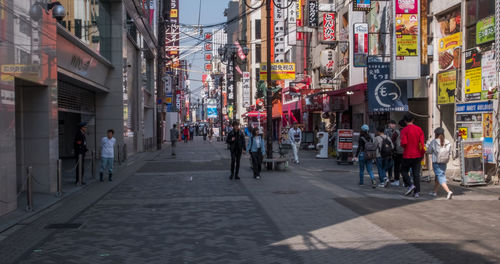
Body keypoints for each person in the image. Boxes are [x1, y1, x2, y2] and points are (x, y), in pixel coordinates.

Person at [400, 114, 425, 198]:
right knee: (416, 174)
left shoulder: (404, 130)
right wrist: (422, 153)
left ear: (405, 121)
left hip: (407, 154)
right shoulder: (419, 129)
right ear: (413, 120)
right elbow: (422, 143)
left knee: (403, 171)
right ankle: (416, 192)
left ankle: (410, 185)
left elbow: (404, 143)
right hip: (417, 155)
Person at [427, 127, 453, 199]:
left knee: (441, 177)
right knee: (440, 176)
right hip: (444, 162)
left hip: (436, 162)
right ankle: (434, 192)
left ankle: (448, 191)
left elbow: (429, 151)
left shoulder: (434, 142)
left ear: (436, 134)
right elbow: (450, 152)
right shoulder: (447, 141)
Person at [390, 120, 406, 186]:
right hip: (406, 151)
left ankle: (397, 181)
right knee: (405, 167)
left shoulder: (396, 132)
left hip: (397, 152)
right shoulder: (407, 131)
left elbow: (392, 141)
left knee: (396, 167)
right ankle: (405, 182)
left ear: (399, 125)